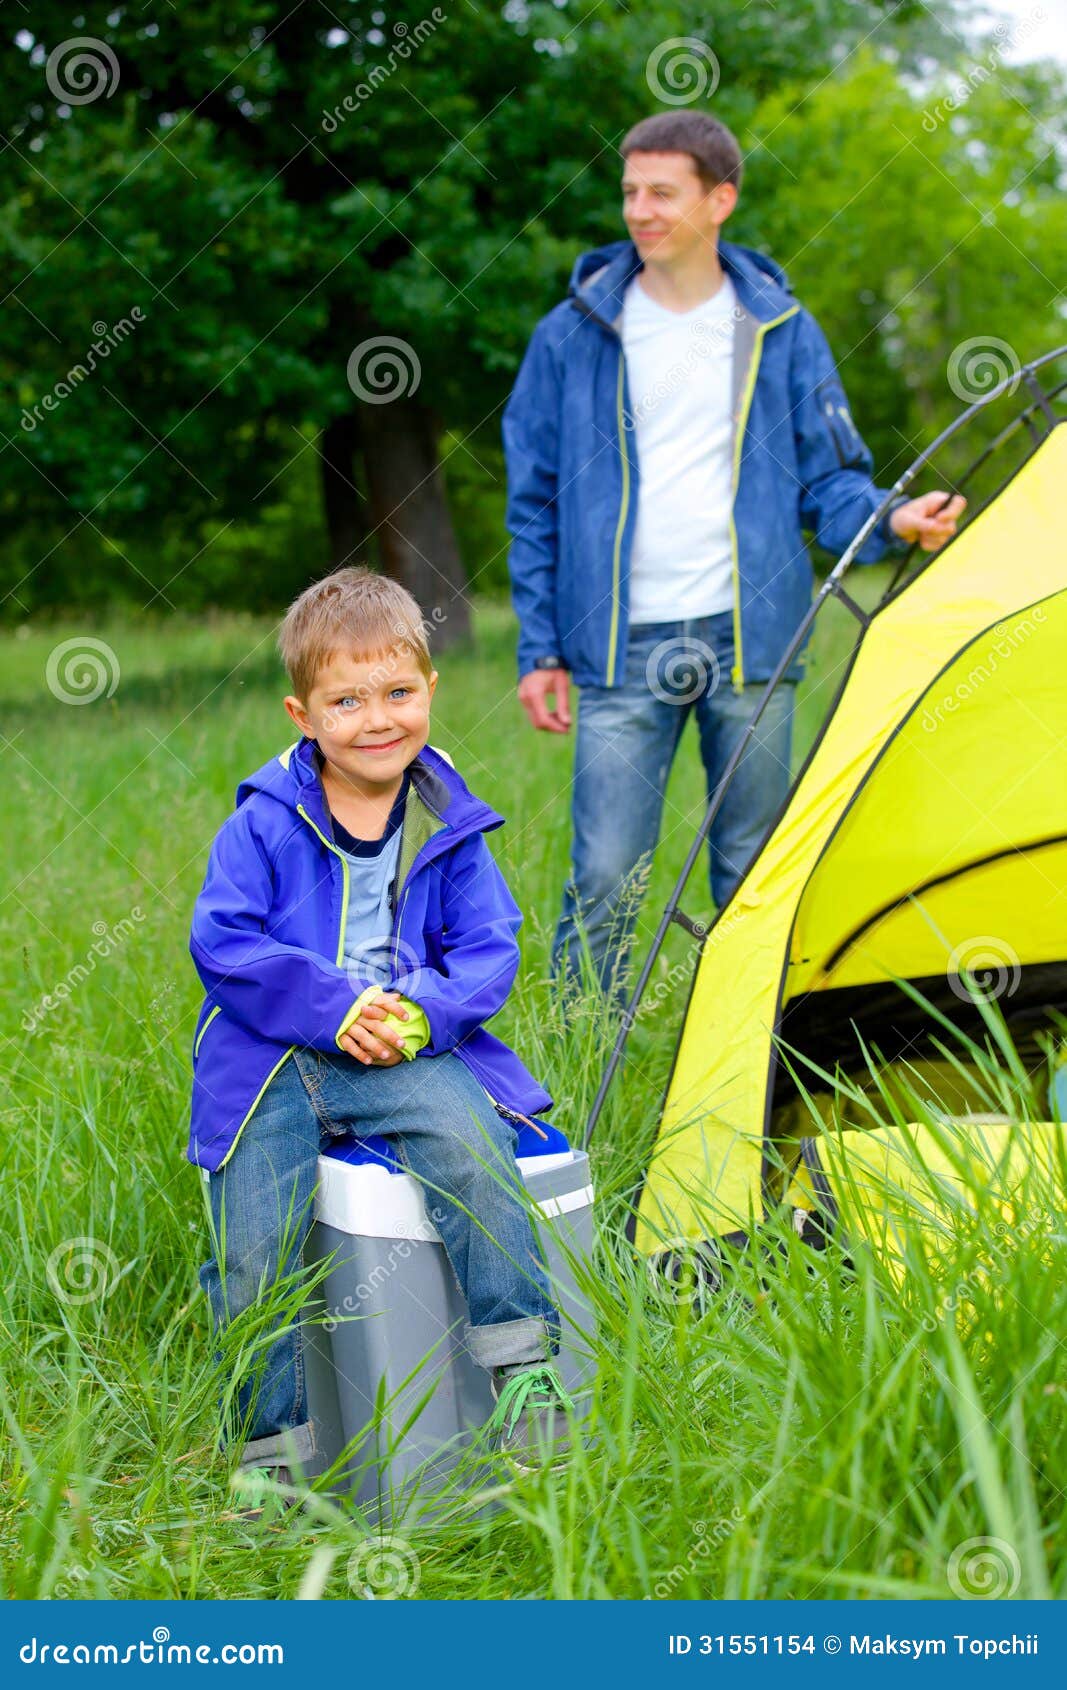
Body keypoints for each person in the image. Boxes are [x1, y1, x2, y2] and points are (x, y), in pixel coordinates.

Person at [503, 109, 964, 999]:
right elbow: (534, 505)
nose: (639, 210)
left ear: (720, 199)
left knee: (753, 872)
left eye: (661, 192)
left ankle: (749, 1055)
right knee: (604, 874)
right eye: (630, 190)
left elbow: (830, 486)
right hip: (617, 646)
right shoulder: (569, 334)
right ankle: (569, 1069)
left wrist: (894, 519)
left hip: (751, 640)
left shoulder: (781, 329)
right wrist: (540, 648)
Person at [187, 566, 576, 1506]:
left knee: (473, 1149)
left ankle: (520, 1361)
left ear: (430, 691)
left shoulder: (448, 821)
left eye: (398, 692)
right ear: (303, 713)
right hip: (273, 1059)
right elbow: (223, 943)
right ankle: (267, 1450)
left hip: (399, 1047)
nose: (377, 719)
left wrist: (425, 1011)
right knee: (252, 1250)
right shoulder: (265, 824)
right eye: (346, 700)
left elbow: (489, 947)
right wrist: (333, 1008)